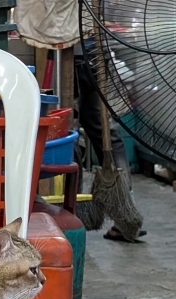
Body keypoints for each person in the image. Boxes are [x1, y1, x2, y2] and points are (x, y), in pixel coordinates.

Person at [73, 40, 146, 242]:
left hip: (68, 50)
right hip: (93, 49)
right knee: (100, 125)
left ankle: (70, 215)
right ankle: (125, 216)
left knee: (67, 132)